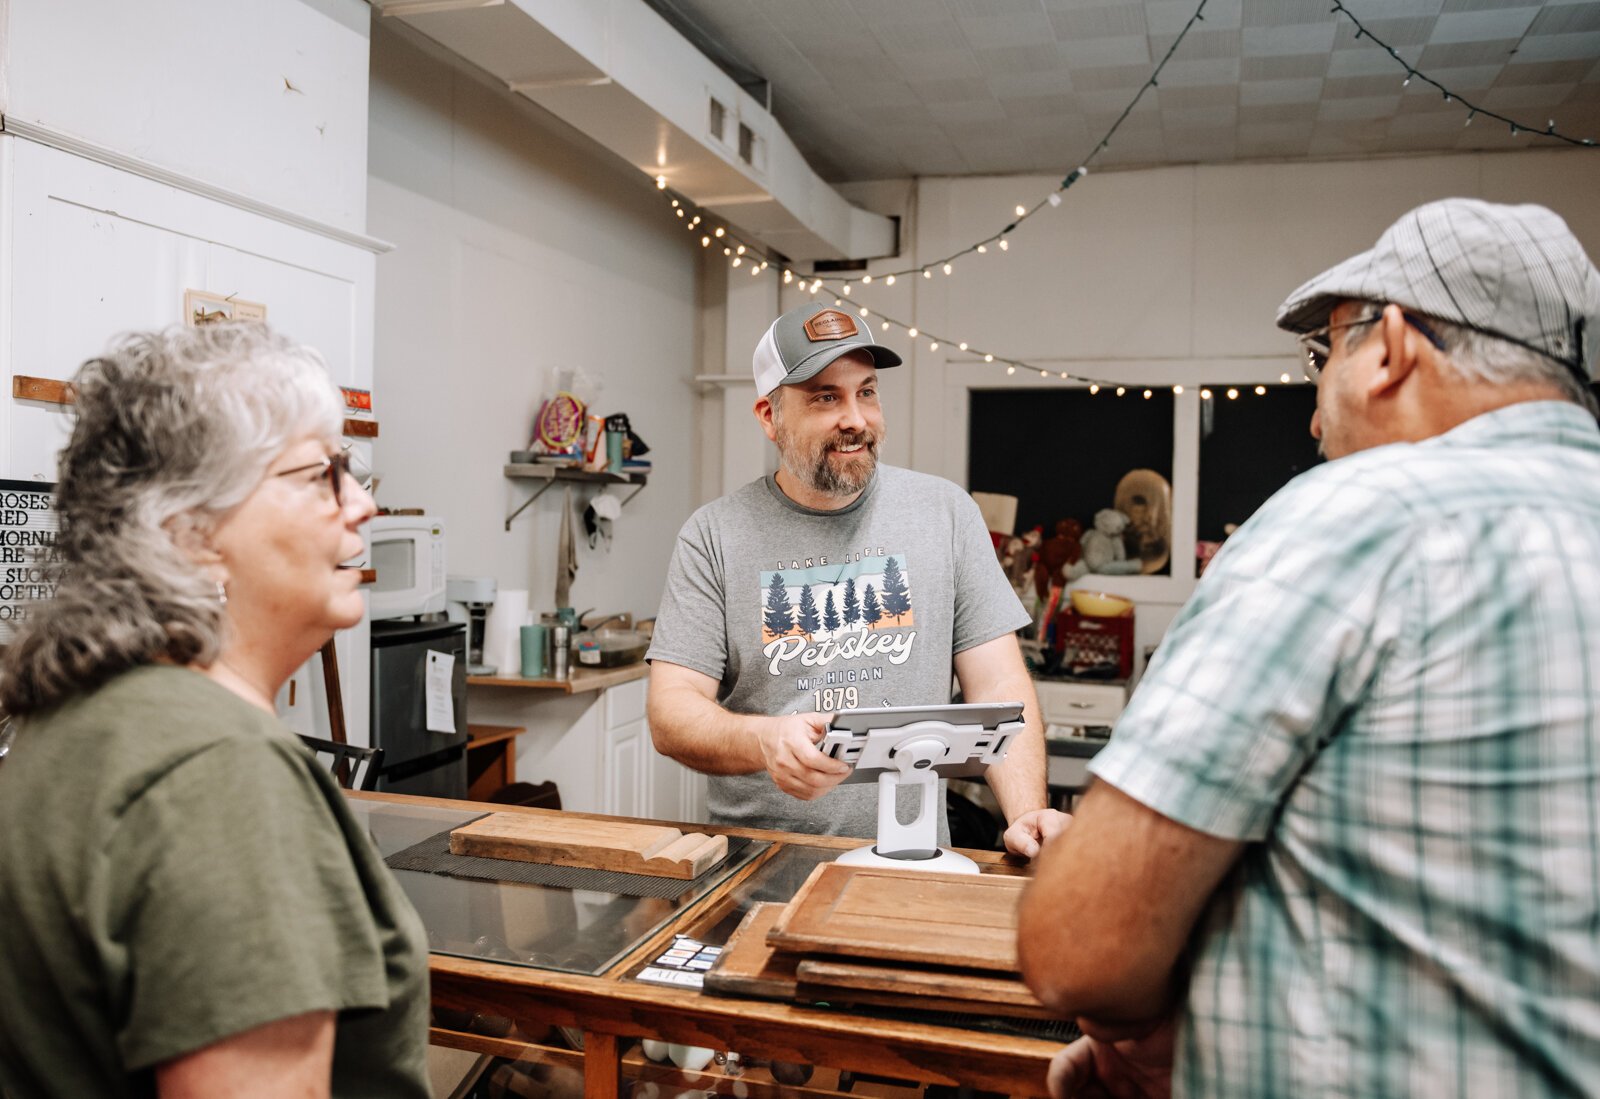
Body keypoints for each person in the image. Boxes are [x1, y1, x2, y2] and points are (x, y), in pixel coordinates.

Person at [1017, 197, 1600, 1098]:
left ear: (1396, 346)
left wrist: (1138, 985)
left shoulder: (1360, 515)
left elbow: (1079, 946)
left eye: (1326, 356)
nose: (1316, 420)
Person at [0, 325, 432, 1099]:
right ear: (190, 532)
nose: (362, 503)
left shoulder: (75, 715)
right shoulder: (222, 770)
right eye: (320, 474)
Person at [647, 302, 1065, 857]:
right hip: (761, 867)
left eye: (866, 392)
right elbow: (672, 710)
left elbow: (996, 685)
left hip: (910, 863)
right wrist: (764, 739)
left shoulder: (945, 513)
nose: (856, 419)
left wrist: (1027, 814)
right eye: (826, 397)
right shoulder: (714, 535)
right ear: (769, 417)